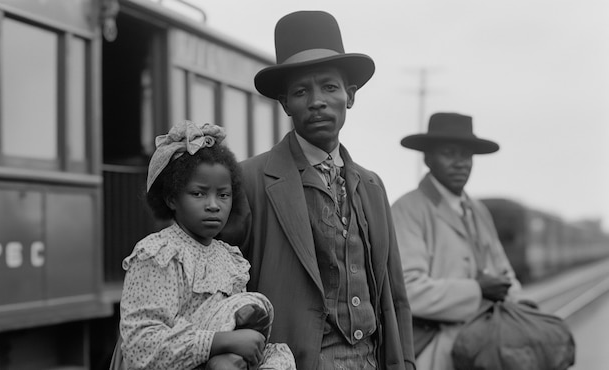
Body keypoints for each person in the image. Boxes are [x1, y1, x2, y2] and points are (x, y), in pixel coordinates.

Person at [219, 10, 415, 370]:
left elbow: (395, 296)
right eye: (300, 91)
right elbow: (219, 286)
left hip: (371, 359)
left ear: (350, 96)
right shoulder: (250, 179)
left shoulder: (372, 185)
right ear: (285, 104)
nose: (316, 101)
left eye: (329, 87)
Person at [117, 121, 295, 370]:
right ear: (171, 198)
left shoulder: (230, 259)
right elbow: (141, 345)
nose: (214, 205)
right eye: (198, 194)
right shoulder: (160, 254)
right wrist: (217, 342)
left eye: (223, 195)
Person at [390, 112, 525, 370]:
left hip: (484, 348)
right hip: (433, 351)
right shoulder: (407, 210)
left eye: (466, 155)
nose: (460, 163)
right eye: (449, 153)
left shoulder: (478, 211)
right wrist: (477, 290)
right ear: (428, 158)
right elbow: (408, 290)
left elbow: (504, 274)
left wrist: (521, 303)